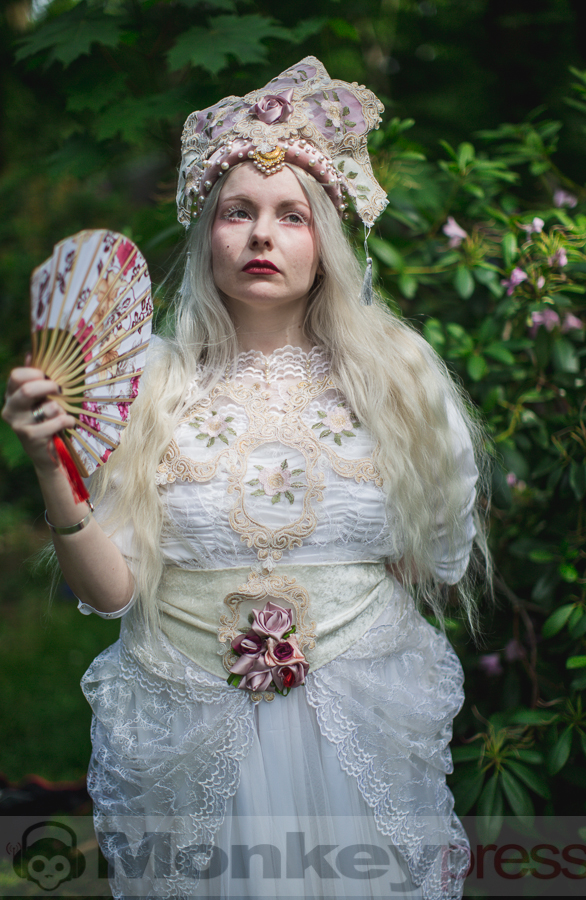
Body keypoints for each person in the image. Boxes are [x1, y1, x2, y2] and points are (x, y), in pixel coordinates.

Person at [3, 57, 489, 899]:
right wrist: (55, 470)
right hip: (191, 729)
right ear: (207, 236)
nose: (262, 235)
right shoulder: (147, 381)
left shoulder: (397, 374)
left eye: (291, 214)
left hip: (356, 729)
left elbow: (435, 555)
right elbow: (114, 593)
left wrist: (332, 617)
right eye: (238, 212)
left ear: (325, 240)